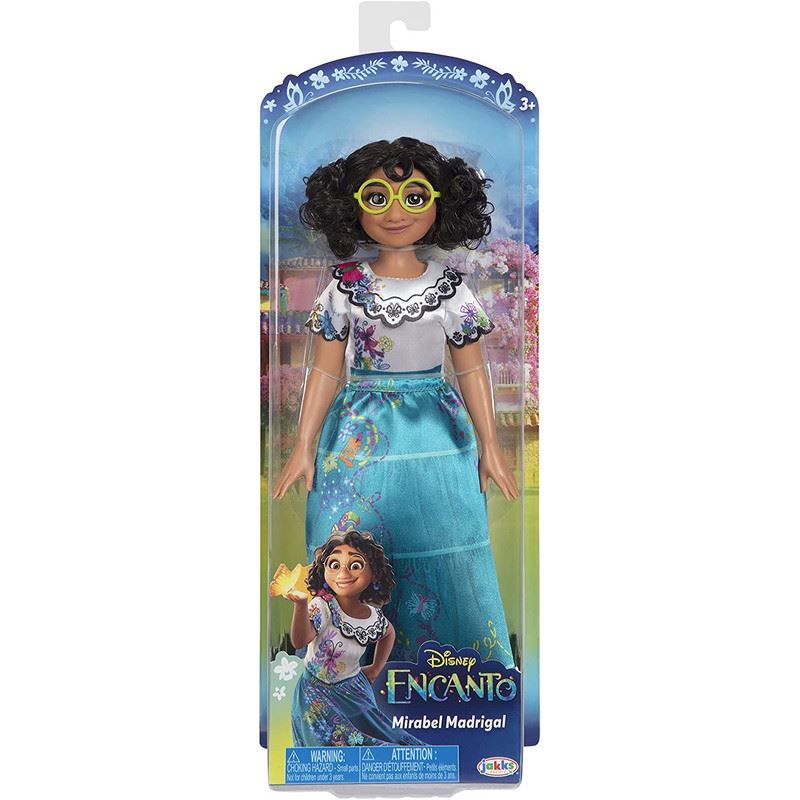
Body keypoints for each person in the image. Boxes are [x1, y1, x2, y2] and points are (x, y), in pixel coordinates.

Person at [273, 137, 518, 667]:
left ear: (441, 204)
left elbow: (472, 369)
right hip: (358, 429)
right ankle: (343, 660)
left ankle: (453, 661)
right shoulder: (345, 287)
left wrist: (492, 446)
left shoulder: (448, 289)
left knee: (446, 534)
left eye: (415, 196)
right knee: (350, 536)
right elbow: (324, 369)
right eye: (377, 197)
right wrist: (303, 444)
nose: (396, 212)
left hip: (435, 429)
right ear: (352, 206)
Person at [285, 528, 424, 747]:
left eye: (355, 565)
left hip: (354, 690)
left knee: (380, 734)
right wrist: (301, 605)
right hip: (315, 691)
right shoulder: (323, 607)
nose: (343, 573)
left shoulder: (373, 616)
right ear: (323, 569)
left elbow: (388, 633)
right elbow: (301, 640)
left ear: (374, 573)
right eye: (334, 564)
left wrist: (376, 668)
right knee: (327, 745)